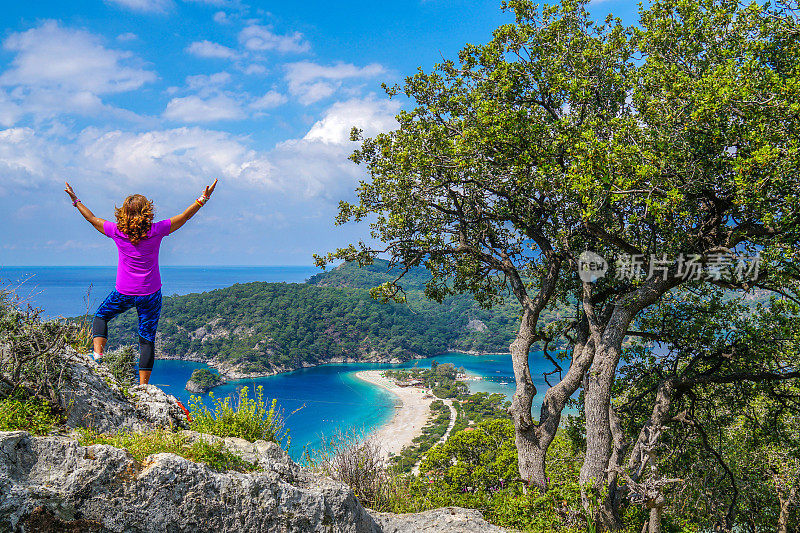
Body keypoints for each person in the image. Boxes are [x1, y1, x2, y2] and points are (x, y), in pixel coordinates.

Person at [64, 179, 218, 385]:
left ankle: (98, 355)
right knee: (146, 338)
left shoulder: (116, 230)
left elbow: (91, 218)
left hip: (124, 292)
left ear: (123, 213)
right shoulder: (157, 230)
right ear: (148, 212)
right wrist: (203, 199)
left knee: (101, 317)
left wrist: (76, 201)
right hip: (150, 293)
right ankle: (144, 387)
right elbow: (185, 216)